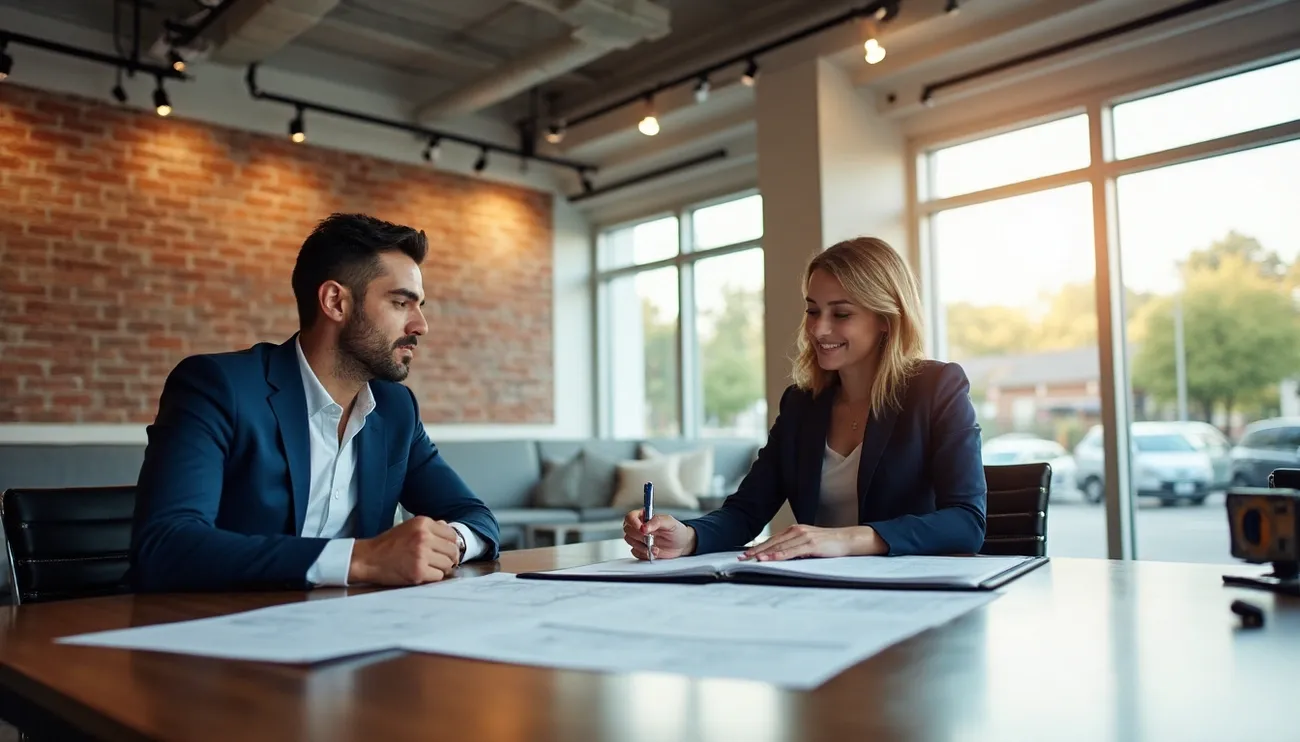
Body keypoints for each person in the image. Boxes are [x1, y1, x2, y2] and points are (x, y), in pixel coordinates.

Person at [129, 213, 501, 592]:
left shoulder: (395, 408)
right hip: (216, 629)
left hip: (351, 628)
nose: (420, 325)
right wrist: (363, 559)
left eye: (419, 305)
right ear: (335, 302)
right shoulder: (218, 387)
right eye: (401, 303)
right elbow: (166, 545)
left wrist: (448, 543)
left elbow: (476, 518)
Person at [623, 236, 986, 562]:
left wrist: (846, 540)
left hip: (913, 600)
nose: (818, 328)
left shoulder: (937, 387)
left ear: (886, 320)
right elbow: (746, 511)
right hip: (816, 594)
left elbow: (966, 521)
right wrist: (687, 537)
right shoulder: (801, 404)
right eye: (813, 310)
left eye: (840, 314)